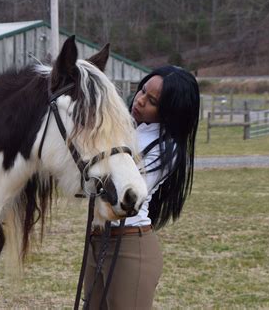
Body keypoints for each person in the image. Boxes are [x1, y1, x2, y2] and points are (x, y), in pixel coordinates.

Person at [83, 65, 200, 309]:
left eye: (153, 101)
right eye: (143, 90)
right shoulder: (125, 127)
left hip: (129, 247)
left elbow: (124, 193)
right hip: (97, 239)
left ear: (169, 111)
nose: (140, 100)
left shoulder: (167, 148)